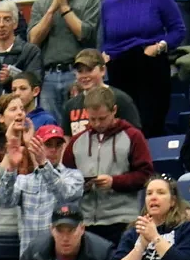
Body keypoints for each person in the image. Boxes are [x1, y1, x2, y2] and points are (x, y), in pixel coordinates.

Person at [62, 86, 154, 246]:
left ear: (114, 110)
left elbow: (145, 175)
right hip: (87, 222)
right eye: (92, 119)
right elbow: (65, 179)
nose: (97, 123)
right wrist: (82, 185)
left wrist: (114, 182)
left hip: (123, 220)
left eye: (102, 118)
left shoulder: (133, 136)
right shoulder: (76, 142)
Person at [101, 0, 185, 137]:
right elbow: (105, 38)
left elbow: (178, 30)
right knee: (124, 129)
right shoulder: (108, 3)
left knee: (150, 125)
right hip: (118, 69)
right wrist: (105, 55)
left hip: (150, 66)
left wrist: (160, 47)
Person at [0, 123, 84, 256]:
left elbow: (65, 195)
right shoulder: (24, 180)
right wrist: (11, 168)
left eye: (58, 145)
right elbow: (4, 202)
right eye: (48, 145)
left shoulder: (74, 175)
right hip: (29, 256)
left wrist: (43, 163)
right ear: (36, 147)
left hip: (60, 256)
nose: (54, 150)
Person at [26, 0, 101, 122]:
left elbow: (84, 34)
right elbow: (33, 39)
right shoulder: (40, 4)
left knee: (80, 123)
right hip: (49, 76)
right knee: (50, 128)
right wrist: (52, 9)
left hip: (78, 74)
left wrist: (64, 5)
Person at [61, 49, 143, 137]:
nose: (84, 76)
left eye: (89, 70)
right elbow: (67, 141)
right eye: (80, 71)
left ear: (103, 70)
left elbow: (135, 136)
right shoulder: (70, 106)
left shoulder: (120, 99)